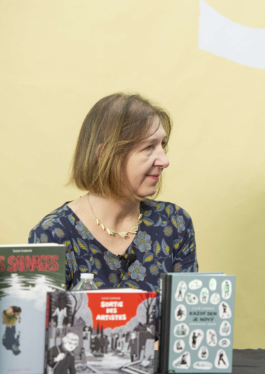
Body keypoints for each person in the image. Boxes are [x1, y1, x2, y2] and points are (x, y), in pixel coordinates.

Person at [28, 93, 198, 291]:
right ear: (105, 155)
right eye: (148, 147)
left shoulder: (175, 224)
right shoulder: (51, 237)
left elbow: (186, 317)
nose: (164, 161)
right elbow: (38, 319)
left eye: (163, 145)